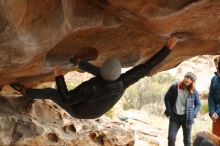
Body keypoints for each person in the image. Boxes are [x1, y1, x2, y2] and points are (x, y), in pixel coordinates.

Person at [11, 37, 178, 119]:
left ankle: (26, 92)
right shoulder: (123, 81)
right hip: (96, 111)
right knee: (100, 76)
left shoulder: (92, 86)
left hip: (79, 111)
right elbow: (146, 67)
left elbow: (67, 99)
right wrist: (167, 49)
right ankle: (78, 62)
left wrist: (59, 77)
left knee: (50, 93)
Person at [164, 72, 201, 146]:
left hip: (187, 118)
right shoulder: (175, 87)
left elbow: (198, 104)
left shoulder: (193, 91)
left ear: (192, 82)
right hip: (175, 116)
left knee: (187, 140)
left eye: (190, 79)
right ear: (184, 77)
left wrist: (192, 114)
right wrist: (170, 112)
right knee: (171, 138)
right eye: (187, 77)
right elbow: (166, 98)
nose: (188, 80)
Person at [208, 56, 220, 136]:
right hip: (216, 117)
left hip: (217, 113)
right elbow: (211, 96)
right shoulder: (214, 79)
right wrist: (212, 112)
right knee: (216, 138)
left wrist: (217, 112)